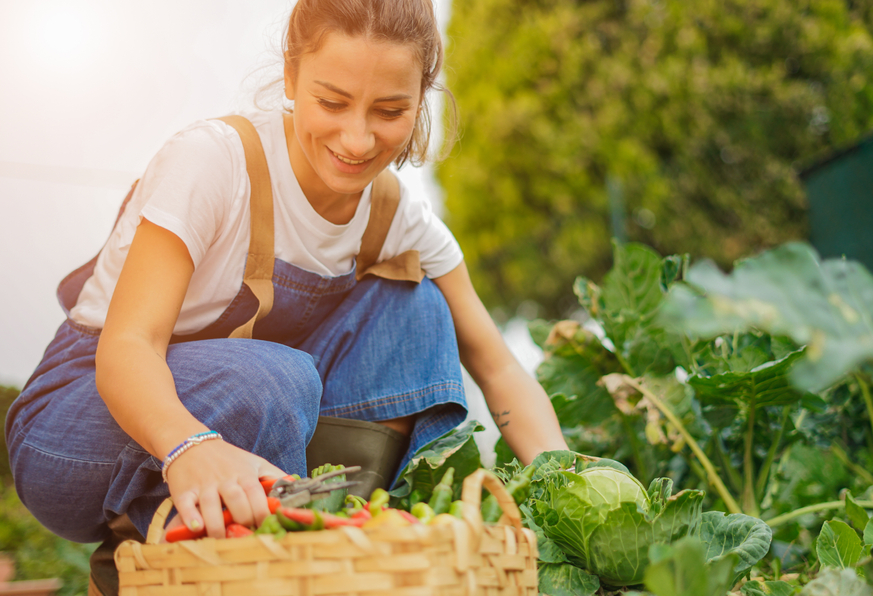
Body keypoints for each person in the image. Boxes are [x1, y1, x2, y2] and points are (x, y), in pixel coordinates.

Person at [5, 0, 567, 553]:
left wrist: (568, 485)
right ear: (291, 76)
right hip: (74, 423)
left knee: (416, 308)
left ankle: (336, 538)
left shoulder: (398, 219)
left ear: (422, 100)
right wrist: (188, 445)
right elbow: (127, 346)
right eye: (333, 101)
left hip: (253, 412)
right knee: (274, 379)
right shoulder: (214, 163)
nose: (357, 139)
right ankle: (166, 535)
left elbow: (497, 368)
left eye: (390, 111)